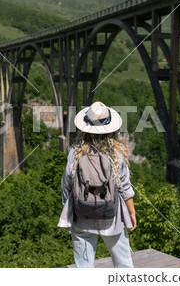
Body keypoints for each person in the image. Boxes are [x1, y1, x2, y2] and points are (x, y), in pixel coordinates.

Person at [58, 101, 137, 268]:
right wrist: (131, 213)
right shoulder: (117, 154)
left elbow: (67, 184)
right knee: (123, 264)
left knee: (84, 268)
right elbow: (125, 187)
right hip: (112, 218)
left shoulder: (76, 152)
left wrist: (69, 209)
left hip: (82, 216)